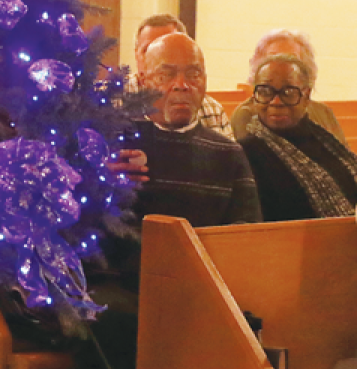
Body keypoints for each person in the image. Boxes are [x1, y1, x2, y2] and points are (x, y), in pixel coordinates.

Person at [80, 32, 260, 369]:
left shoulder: (228, 154)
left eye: (193, 74)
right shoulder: (113, 143)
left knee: (247, 321)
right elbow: (81, 224)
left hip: (200, 282)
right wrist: (99, 182)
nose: (182, 85)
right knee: (119, 316)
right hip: (124, 281)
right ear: (144, 82)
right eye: (167, 75)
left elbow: (246, 235)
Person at [238, 54, 357, 221]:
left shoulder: (324, 140)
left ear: (306, 96)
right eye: (265, 91)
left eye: (288, 92)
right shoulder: (245, 153)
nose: (276, 101)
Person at [231, 29, 345, 141]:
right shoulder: (246, 114)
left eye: (291, 58)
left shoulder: (324, 112)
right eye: (273, 57)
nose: (281, 65)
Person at [130, 14, 233, 138]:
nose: (161, 54)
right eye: (148, 49)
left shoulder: (212, 110)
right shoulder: (111, 100)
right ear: (136, 54)